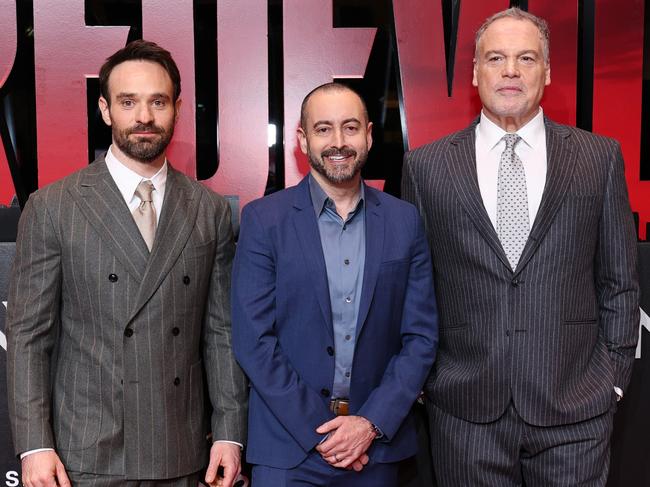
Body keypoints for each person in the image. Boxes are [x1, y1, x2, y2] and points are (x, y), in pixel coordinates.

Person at [402, 7, 639, 486]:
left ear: (547, 72)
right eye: (496, 58)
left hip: (576, 411)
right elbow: (414, 287)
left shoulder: (599, 158)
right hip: (464, 413)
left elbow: (620, 282)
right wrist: (429, 383)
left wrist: (611, 380)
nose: (510, 70)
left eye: (526, 58)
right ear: (474, 72)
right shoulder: (425, 167)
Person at [6, 40, 248, 487]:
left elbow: (221, 333)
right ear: (105, 109)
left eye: (157, 102)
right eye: (128, 101)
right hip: (85, 451)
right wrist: (35, 445)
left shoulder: (209, 209)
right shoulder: (53, 207)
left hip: (181, 448)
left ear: (176, 109)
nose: (144, 117)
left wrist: (230, 433)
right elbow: (27, 336)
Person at [231, 82, 438, 486]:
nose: (338, 142)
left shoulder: (404, 221)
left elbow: (421, 337)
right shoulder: (263, 221)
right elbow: (253, 340)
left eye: (350, 127)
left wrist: (370, 424)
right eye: (323, 129)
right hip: (288, 451)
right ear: (302, 139)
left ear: (369, 136)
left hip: (377, 449)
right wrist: (324, 433)